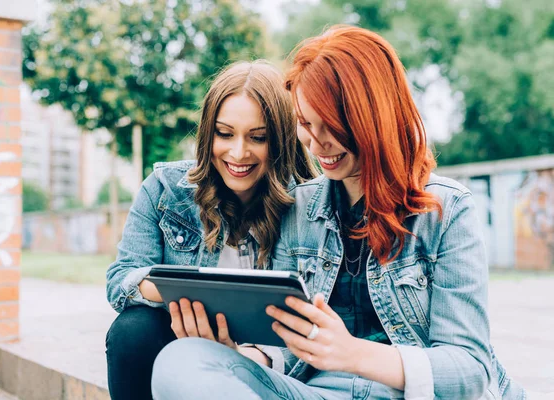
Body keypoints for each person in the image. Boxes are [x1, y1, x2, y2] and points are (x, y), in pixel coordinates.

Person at [150, 26, 526, 399]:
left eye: (331, 126)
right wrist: (242, 358)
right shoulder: (298, 207)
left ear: (373, 116)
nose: (316, 143)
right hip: (312, 392)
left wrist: (353, 353)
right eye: (305, 124)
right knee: (183, 358)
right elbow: (284, 344)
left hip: (402, 394)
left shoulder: (447, 210)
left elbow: (469, 370)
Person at [105, 60, 317, 400]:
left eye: (258, 137)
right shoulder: (164, 189)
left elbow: (329, 316)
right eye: (225, 133)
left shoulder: (310, 205)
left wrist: (255, 356)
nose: (238, 152)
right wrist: (184, 296)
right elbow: (120, 281)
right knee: (132, 330)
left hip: (267, 360)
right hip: (181, 334)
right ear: (208, 133)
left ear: (279, 140)